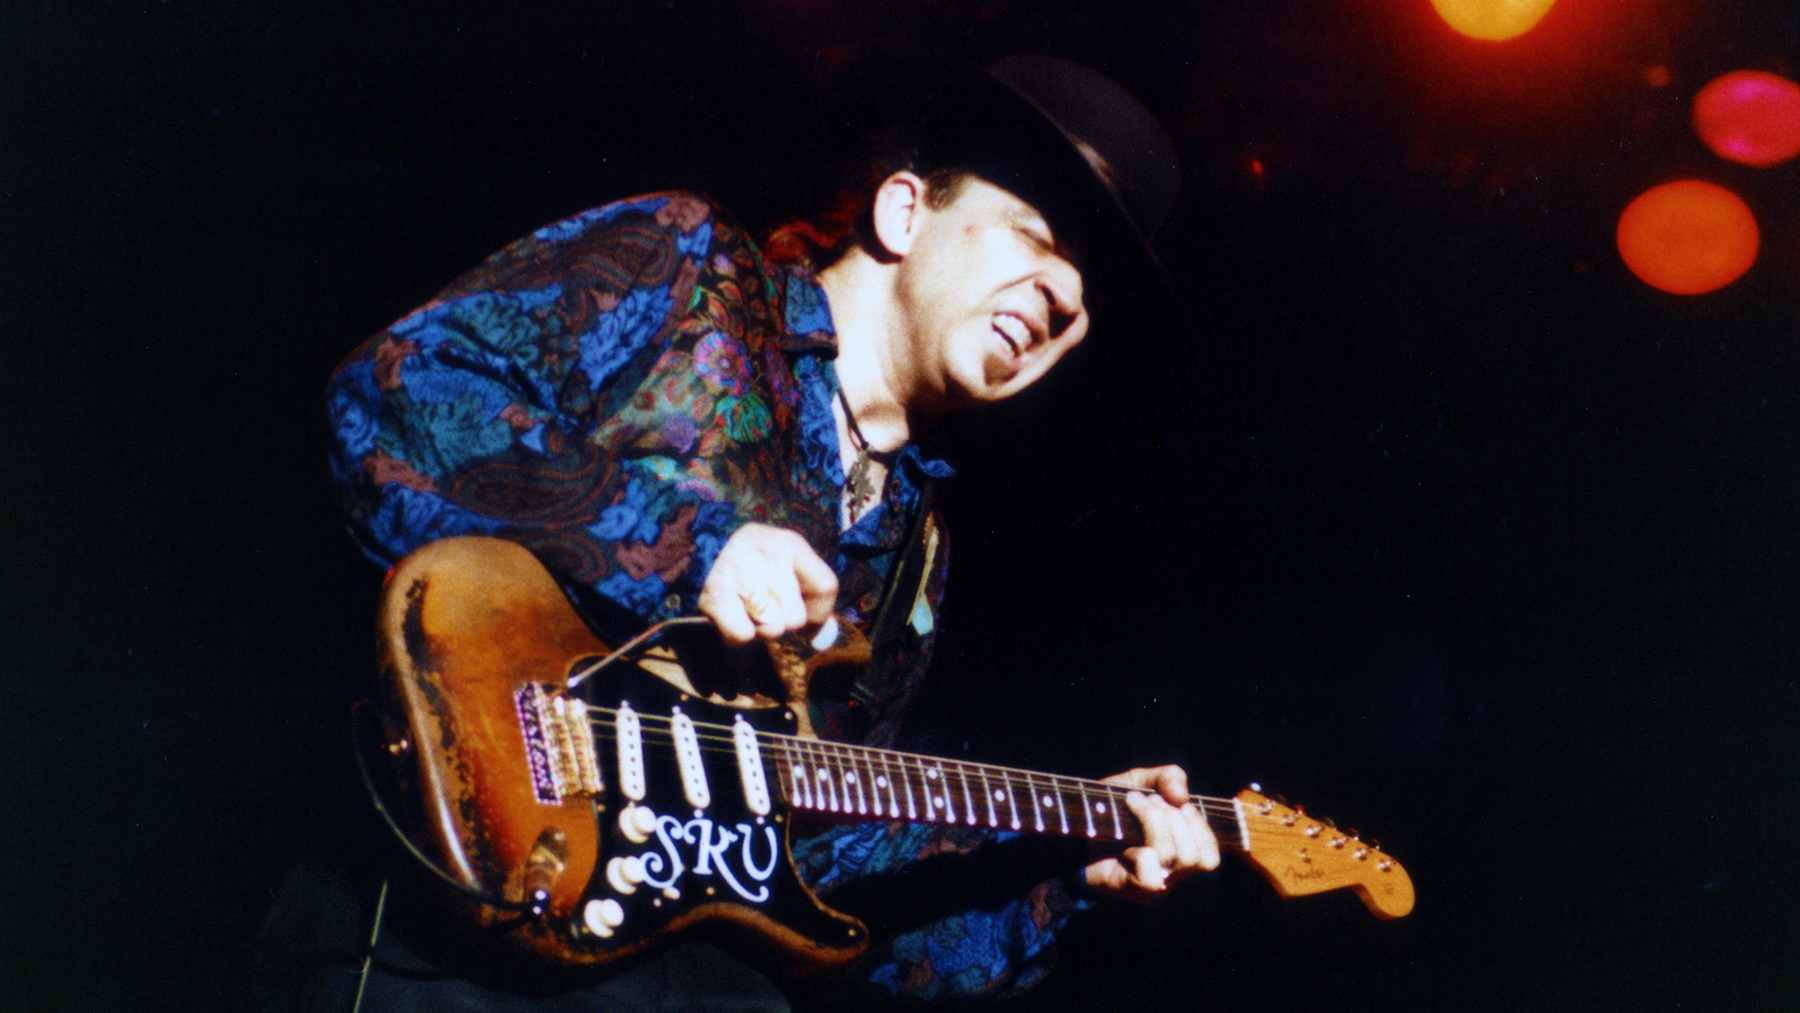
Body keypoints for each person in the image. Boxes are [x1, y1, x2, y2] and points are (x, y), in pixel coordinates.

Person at [261, 45, 1217, 1011]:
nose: (1067, 300)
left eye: (1086, 292)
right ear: (903, 212)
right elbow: (391, 397)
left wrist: (1061, 870)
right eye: (1035, 237)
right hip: (449, 915)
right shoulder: (691, 270)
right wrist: (691, 546)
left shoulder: (917, 557)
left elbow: (805, 865)